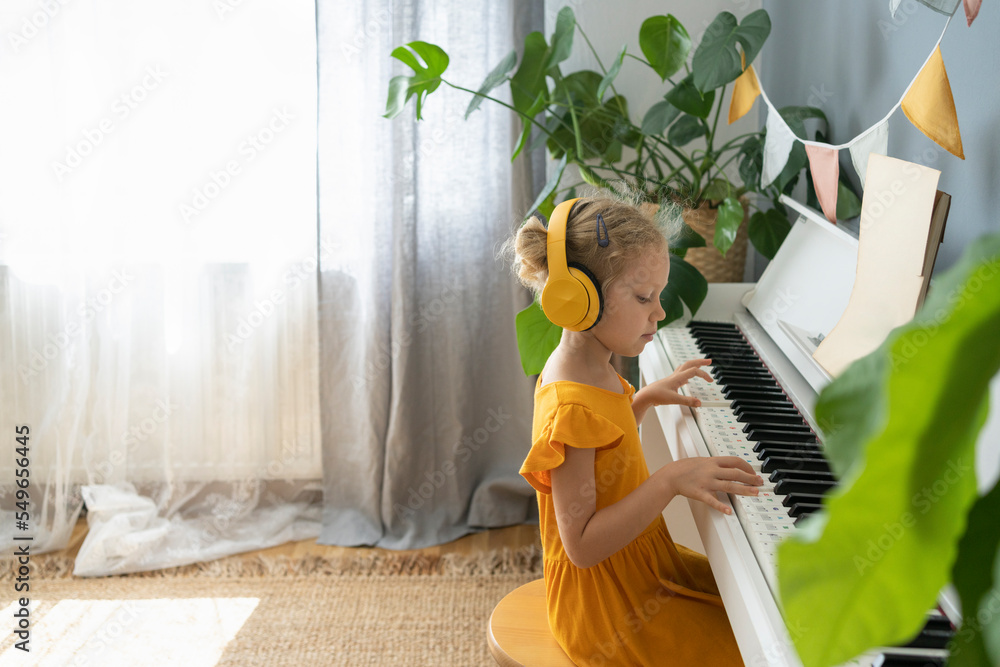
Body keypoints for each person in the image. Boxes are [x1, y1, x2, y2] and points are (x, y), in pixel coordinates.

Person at [501, 191, 762, 666]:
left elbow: (605, 453)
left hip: (641, 565)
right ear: (579, 299)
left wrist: (642, 400)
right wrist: (670, 480)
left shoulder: (592, 367)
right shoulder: (570, 403)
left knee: (756, 611)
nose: (659, 312)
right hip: (607, 609)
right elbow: (581, 546)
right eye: (644, 298)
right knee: (745, 650)